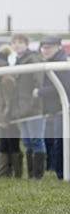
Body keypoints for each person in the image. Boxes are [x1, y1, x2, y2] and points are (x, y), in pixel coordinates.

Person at [34, 36, 70, 180]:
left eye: (49, 47)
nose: (46, 50)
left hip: (63, 110)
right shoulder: (54, 61)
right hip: (58, 110)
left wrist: (40, 92)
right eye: (44, 48)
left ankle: (62, 174)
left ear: (58, 47)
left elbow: (65, 88)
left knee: (60, 142)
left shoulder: (61, 63)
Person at [11, 33, 45, 179]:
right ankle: (31, 174)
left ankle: (38, 175)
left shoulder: (33, 59)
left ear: (26, 44)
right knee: (27, 142)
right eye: (14, 43)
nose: (17, 45)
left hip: (33, 108)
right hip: (20, 108)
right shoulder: (17, 61)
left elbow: (38, 83)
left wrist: (33, 103)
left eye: (20, 42)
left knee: (36, 140)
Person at [0, 47, 22, 178]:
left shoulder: (7, 79)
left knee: (11, 145)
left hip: (9, 119)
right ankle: (4, 173)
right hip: (2, 119)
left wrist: (4, 119)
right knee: (4, 145)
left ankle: (14, 173)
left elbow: (9, 102)